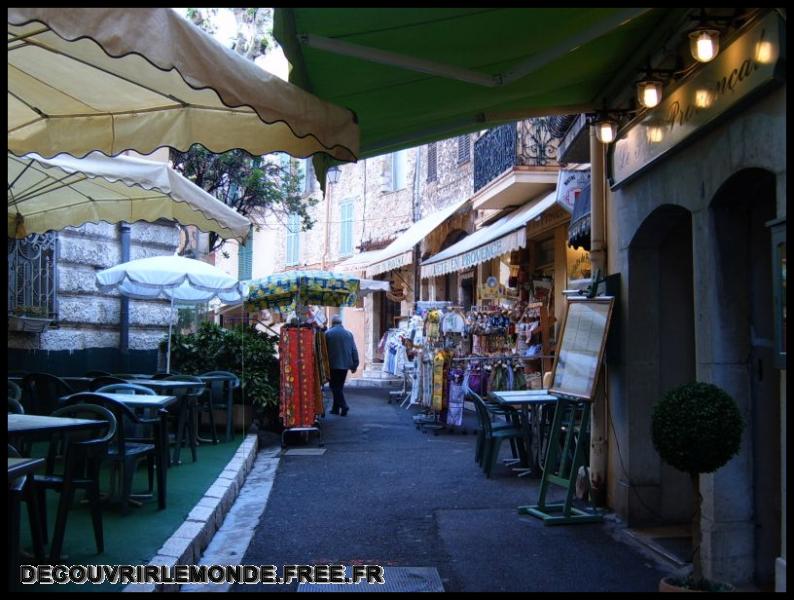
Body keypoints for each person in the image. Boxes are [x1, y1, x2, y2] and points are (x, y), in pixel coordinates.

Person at [324, 314, 359, 416]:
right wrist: (355, 364)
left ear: (333, 323)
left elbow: (324, 351)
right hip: (345, 365)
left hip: (333, 364)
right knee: (339, 386)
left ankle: (344, 406)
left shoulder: (328, 334)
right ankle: (335, 408)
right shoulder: (349, 334)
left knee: (334, 387)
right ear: (341, 323)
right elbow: (354, 350)